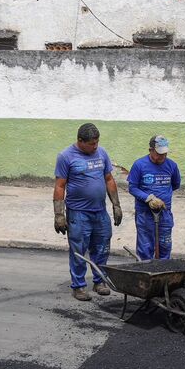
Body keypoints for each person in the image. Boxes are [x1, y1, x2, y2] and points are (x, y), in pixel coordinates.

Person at [53, 123, 123, 301]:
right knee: (78, 250)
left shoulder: (102, 153)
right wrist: (59, 214)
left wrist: (116, 205)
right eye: (91, 144)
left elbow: (109, 179)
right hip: (78, 213)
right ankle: (78, 286)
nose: (95, 147)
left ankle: (100, 281)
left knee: (102, 248)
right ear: (80, 141)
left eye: (97, 143)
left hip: (100, 212)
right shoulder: (66, 156)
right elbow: (60, 186)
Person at [127, 135, 181, 261]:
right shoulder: (139, 165)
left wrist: (163, 197)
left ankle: (162, 275)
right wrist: (149, 198)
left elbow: (175, 185)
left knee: (165, 244)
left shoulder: (172, 166)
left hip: (164, 212)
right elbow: (132, 188)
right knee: (145, 248)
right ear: (150, 150)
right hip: (145, 214)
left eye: (164, 154)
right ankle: (145, 274)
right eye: (158, 154)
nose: (162, 157)